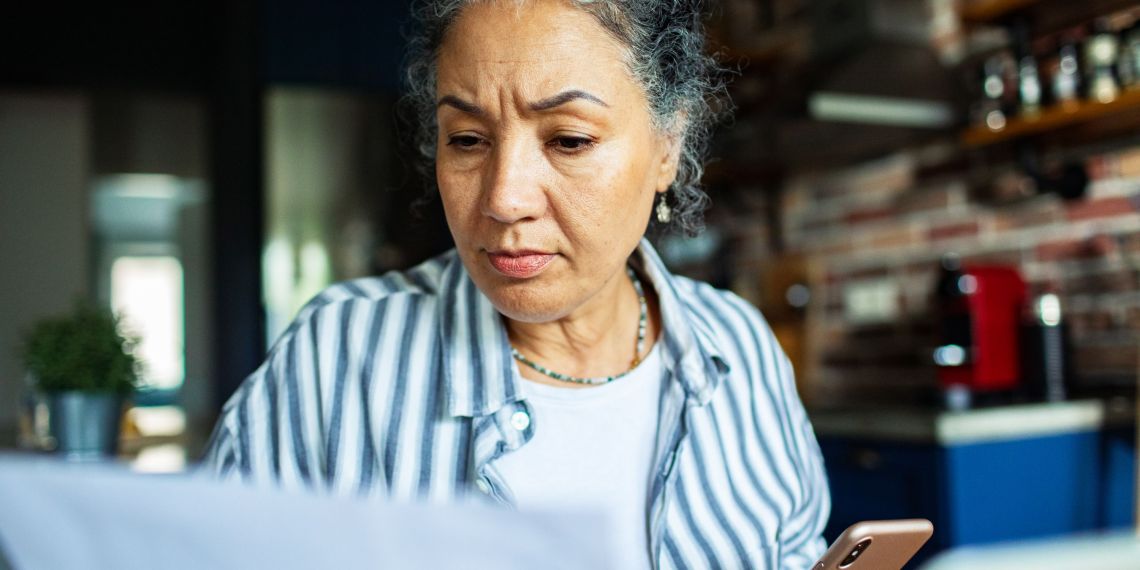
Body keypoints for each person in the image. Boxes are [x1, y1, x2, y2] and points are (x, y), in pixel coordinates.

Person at [202, 0, 830, 568]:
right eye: (468, 140)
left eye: (569, 139)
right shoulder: (337, 359)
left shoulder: (739, 348)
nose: (504, 199)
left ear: (667, 145)